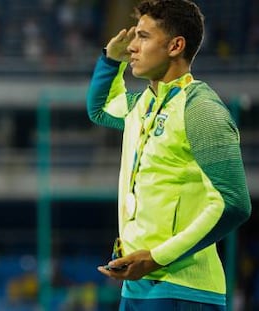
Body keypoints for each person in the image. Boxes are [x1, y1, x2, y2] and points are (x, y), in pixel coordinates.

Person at [86, 0, 252, 310]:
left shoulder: (201, 110)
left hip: (184, 290)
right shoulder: (142, 105)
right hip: (137, 287)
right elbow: (100, 109)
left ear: (175, 45)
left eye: (144, 37)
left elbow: (234, 203)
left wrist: (154, 258)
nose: (133, 47)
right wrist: (110, 60)